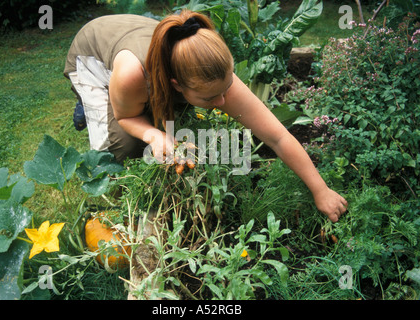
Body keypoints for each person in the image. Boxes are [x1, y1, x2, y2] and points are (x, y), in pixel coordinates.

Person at [64, 10, 348, 223]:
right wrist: (153, 134)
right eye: (211, 99)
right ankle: (112, 211)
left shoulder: (211, 72)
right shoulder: (131, 74)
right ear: (176, 84)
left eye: (226, 90)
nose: (223, 102)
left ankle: (139, 105)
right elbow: (126, 118)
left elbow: (277, 136)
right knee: (124, 145)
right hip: (95, 57)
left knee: (168, 120)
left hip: (142, 56)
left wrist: (320, 189)